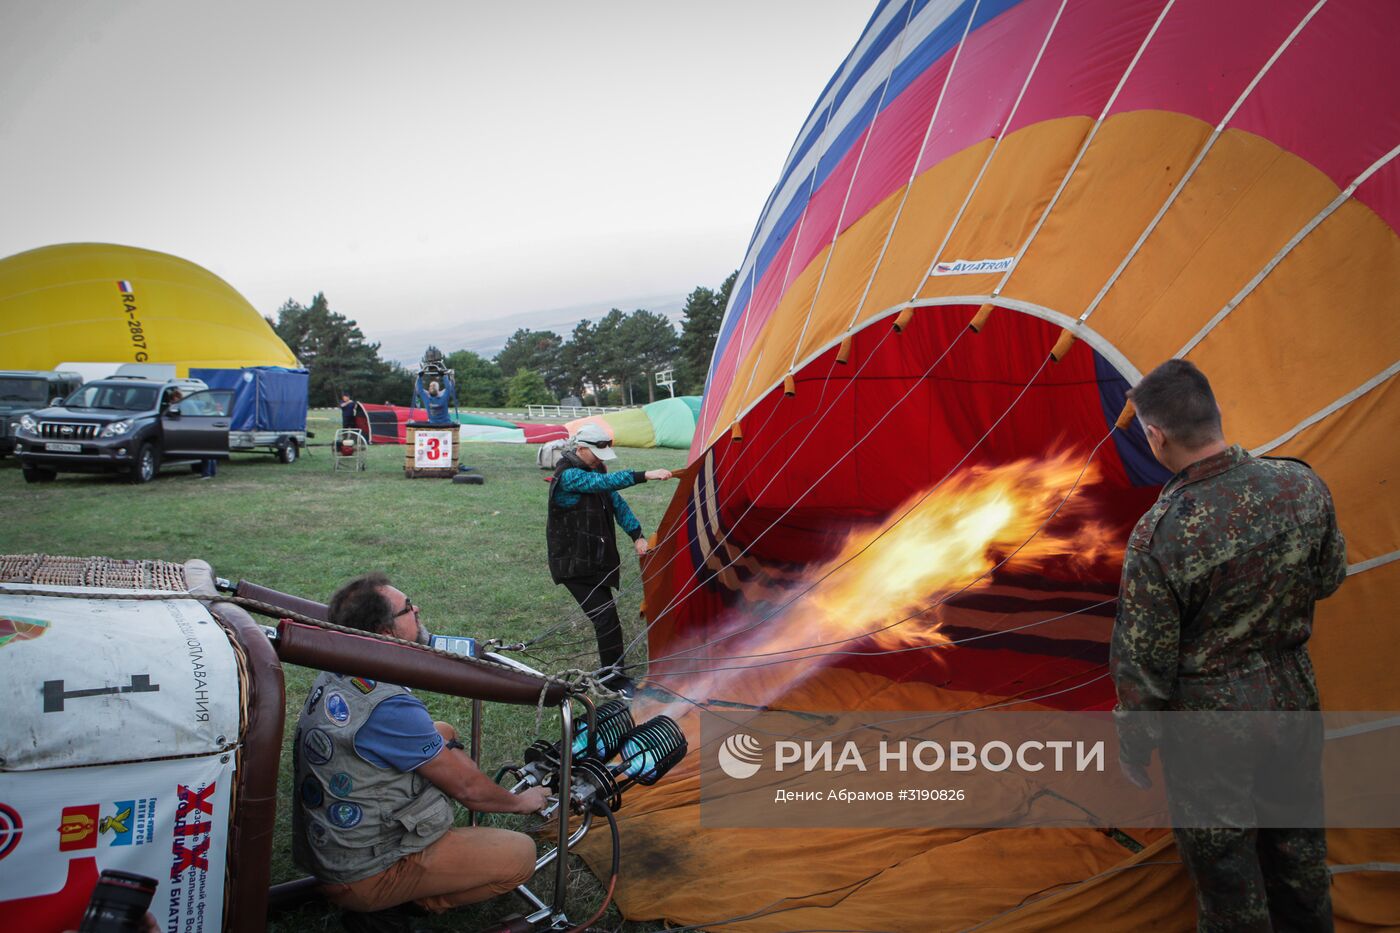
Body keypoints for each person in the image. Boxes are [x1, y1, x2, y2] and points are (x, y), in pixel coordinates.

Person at [1110, 359, 1347, 933]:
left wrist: (1135, 747)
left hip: (1210, 729)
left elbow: (1144, 665)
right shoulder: (1301, 484)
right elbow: (1330, 576)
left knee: (1228, 884)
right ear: (1215, 414)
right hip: (1292, 699)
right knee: (1300, 860)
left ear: (1156, 436)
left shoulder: (1160, 534)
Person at [292, 573, 551, 933]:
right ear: (385, 633)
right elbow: (470, 792)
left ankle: (393, 890)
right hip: (366, 871)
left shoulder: (341, 665)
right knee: (520, 855)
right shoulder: (388, 706)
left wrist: (449, 755)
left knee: (442, 730)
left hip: (335, 848)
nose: (417, 609)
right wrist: (522, 801)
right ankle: (405, 901)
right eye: (408, 608)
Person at [546, 423, 675, 695]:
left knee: (607, 619)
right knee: (606, 619)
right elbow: (603, 484)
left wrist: (637, 535)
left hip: (593, 560)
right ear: (581, 449)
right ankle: (612, 680)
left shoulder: (593, 468)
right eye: (595, 454)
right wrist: (646, 475)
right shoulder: (568, 476)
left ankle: (612, 675)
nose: (600, 461)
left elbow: (616, 502)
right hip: (573, 564)